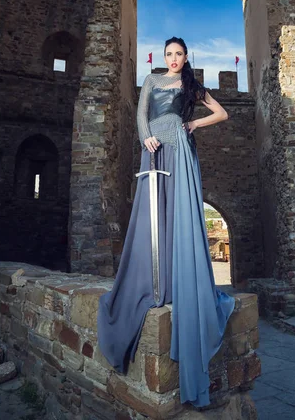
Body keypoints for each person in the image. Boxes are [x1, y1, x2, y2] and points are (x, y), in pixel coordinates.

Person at [97, 36, 235, 407]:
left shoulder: (191, 87)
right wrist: (146, 139)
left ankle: (179, 282)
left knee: (181, 212)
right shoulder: (152, 81)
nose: (173, 59)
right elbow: (142, 115)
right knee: (152, 211)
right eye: (169, 54)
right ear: (163, 58)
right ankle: (154, 279)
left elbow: (221, 113)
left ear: (186, 57)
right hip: (154, 151)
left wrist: (191, 127)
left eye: (179, 54)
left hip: (180, 150)